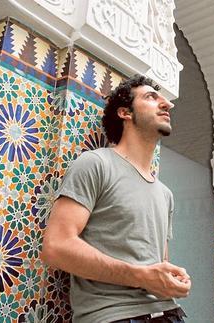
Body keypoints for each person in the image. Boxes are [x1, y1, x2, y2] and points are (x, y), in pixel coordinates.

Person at [41, 75, 191, 323]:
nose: (167, 104)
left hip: (170, 315)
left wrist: (172, 279)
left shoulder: (166, 194)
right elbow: (56, 247)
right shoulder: (96, 164)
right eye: (151, 97)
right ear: (125, 112)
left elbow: (156, 263)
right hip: (116, 317)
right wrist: (141, 276)